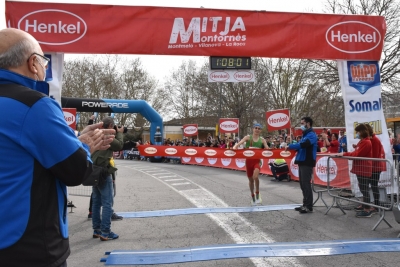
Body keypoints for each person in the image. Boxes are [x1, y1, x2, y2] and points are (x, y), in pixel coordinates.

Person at [0, 28, 114, 267]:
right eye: (43, 61)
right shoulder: (33, 105)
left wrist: (74, 139)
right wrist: (83, 145)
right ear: (33, 63)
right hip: (26, 245)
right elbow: (76, 170)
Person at [91, 117, 126, 241]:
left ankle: (97, 229)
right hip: (103, 172)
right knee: (107, 203)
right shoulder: (108, 136)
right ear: (110, 125)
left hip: (93, 171)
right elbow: (119, 145)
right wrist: (120, 133)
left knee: (96, 202)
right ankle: (105, 232)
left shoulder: (96, 134)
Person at [338, 124, 373, 218]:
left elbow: (357, 154)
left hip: (363, 169)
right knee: (363, 188)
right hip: (360, 168)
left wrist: (344, 154)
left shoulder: (366, 142)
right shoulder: (362, 142)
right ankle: (365, 206)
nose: (357, 133)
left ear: (361, 132)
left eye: (357, 132)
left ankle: (367, 209)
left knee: (364, 189)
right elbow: (356, 152)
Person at [285, 117, 317, 214]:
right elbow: (300, 145)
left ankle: (309, 206)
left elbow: (302, 145)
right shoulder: (305, 135)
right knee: (303, 185)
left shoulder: (312, 135)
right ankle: (305, 204)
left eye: (302, 123)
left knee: (306, 184)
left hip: (307, 161)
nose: (301, 125)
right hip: (302, 160)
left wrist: (290, 146)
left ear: (308, 123)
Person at [233, 123, 270, 206]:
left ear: (260, 130)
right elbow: (240, 143)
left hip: (257, 162)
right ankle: (252, 196)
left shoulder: (262, 140)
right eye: (255, 128)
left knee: (255, 177)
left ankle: (257, 193)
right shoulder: (248, 138)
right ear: (253, 129)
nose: (257, 130)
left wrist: (269, 149)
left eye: (259, 128)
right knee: (250, 181)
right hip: (248, 162)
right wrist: (236, 146)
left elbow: (267, 148)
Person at [364, 123, 386, 214]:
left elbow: (375, 155)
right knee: (369, 185)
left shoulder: (375, 140)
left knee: (374, 185)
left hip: (375, 167)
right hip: (372, 166)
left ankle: (376, 205)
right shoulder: (370, 139)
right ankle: (370, 203)